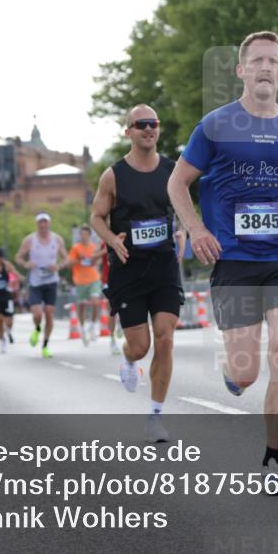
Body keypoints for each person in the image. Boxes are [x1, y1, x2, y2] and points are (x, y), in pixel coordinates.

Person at [168, 30, 278, 493]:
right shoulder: (215, 125)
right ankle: (233, 374)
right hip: (234, 259)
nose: (265, 67)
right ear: (241, 71)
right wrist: (197, 229)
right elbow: (177, 183)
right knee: (246, 371)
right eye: (257, 60)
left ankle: (272, 461)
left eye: (273, 61)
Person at [91, 103, 187, 442]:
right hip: (128, 270)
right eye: (141, 124)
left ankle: (155, 417)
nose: (148, 128)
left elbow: (183, 209)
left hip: (163, 266)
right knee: (140, 347)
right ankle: (129, 359)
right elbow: (96, 217)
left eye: (153, 123)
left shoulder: (174, 171)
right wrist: (111, 240)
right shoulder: (113, 175)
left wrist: (183, 231)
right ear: (128, 131)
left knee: (165, 337)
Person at [15, 213, 67, 358]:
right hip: (35, 282)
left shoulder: (57, 239)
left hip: (51, 281)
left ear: (49, 223)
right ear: (37, 224)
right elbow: (18, 257)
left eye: (45, 222)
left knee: (49, 313)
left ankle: (45, 346)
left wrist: (58, 265)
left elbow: (66, 258)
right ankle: (37, 329)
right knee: (37, 313)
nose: (43, 225)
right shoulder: (30, 240)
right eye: (40, 222)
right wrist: (26, 263)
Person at [68, 225, 106, 345]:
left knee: (96, 302)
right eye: (82, 234)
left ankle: (93, 326)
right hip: (80, 281)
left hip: (94, 279)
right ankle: (83, 328)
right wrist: (79, 259)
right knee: (81, 307)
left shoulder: (94, 247)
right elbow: (69, 263)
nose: (84, 236)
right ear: (80, 235)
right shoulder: (76, 248)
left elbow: (99, 261)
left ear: (89, 235)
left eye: (86, 234)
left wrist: (94, 260)